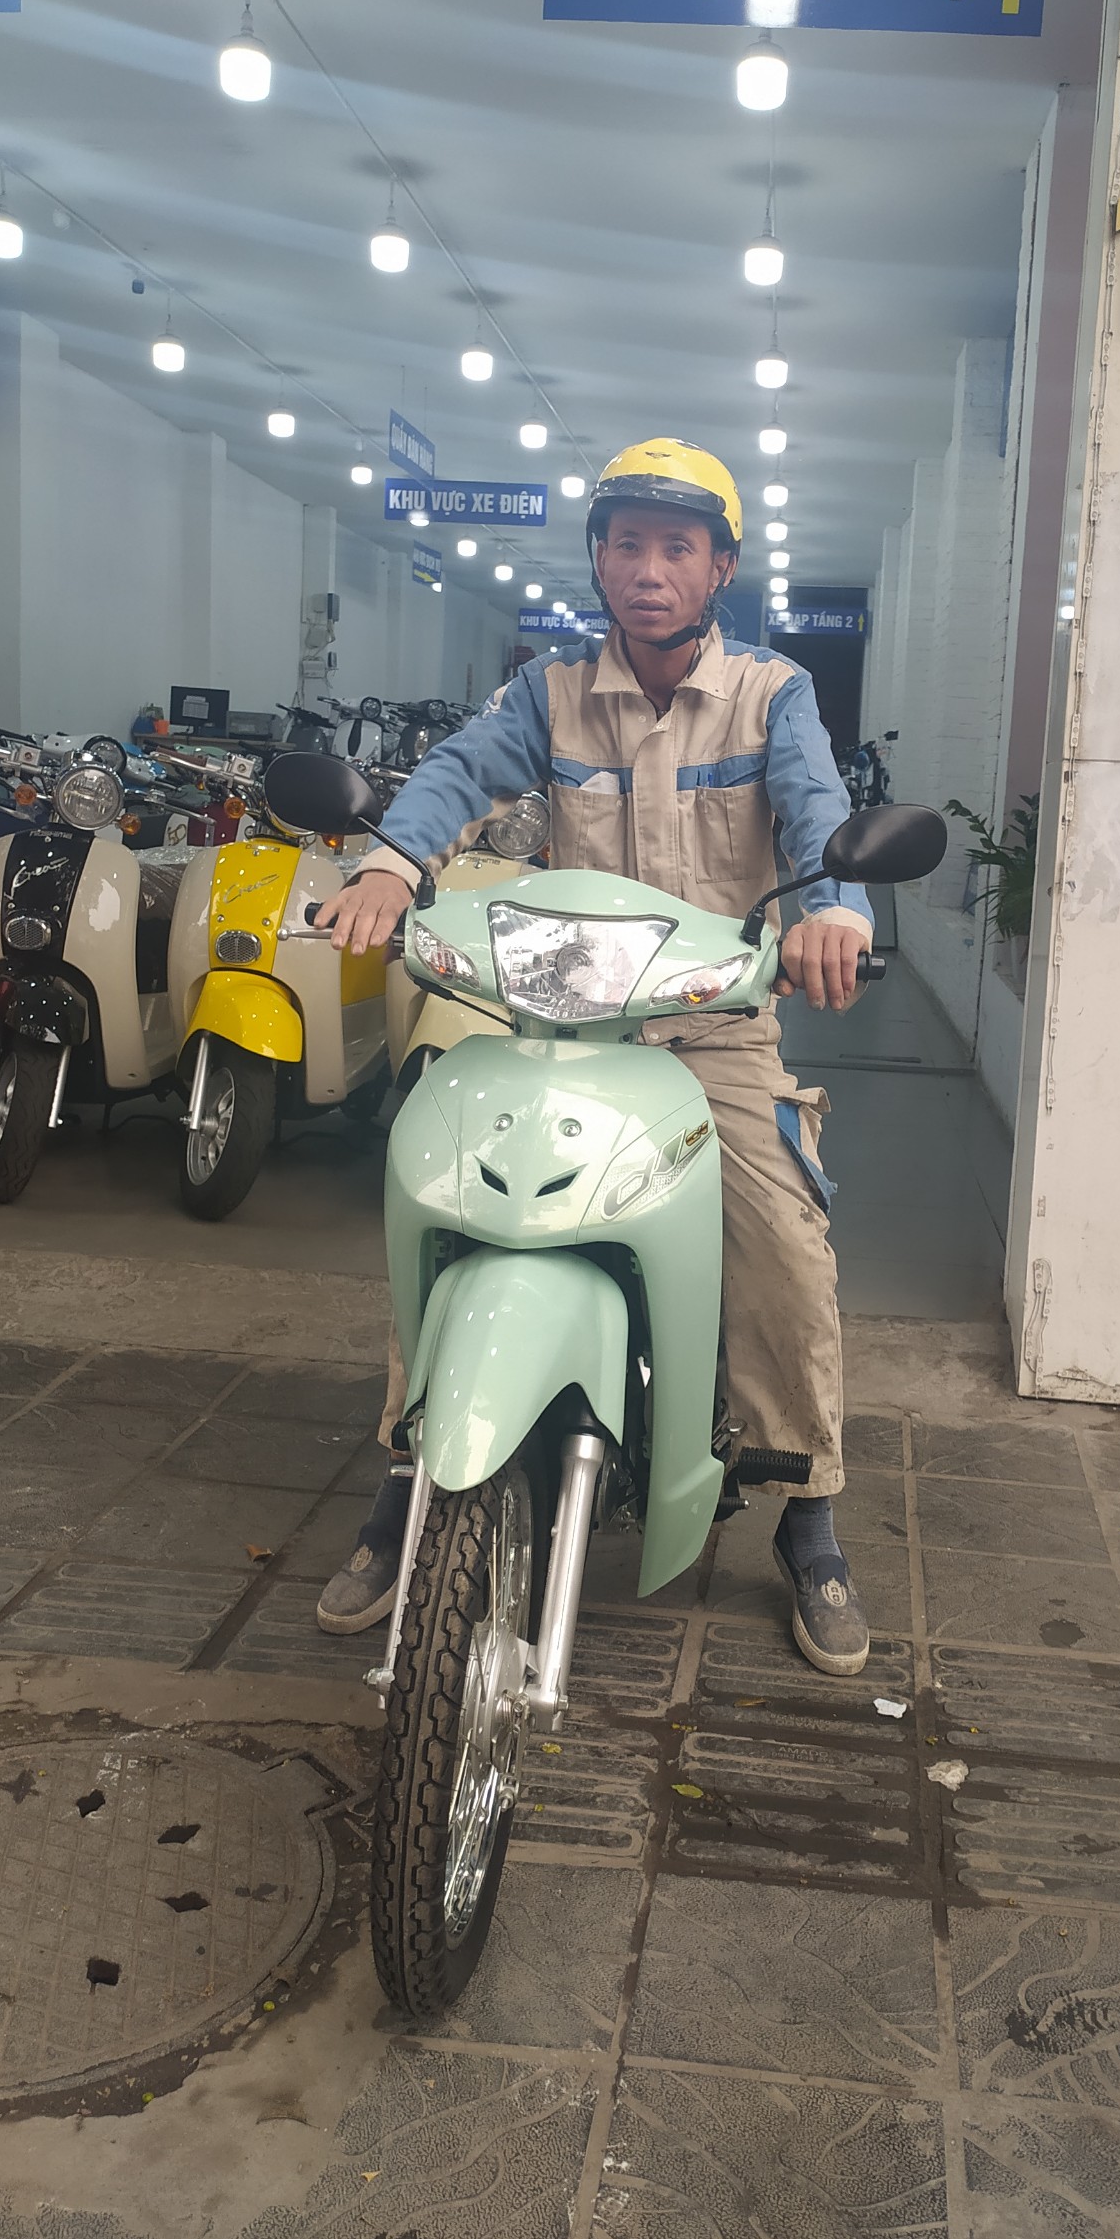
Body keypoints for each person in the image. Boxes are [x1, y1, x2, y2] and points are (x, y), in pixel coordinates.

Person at [313, 438, 877, 1674]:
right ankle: (411, 1470)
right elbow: (458, 772)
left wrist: (833, 911)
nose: (648, 570)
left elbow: (816, 813)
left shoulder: (773, 693)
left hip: (714, 1026)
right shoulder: (550, 691)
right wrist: (391, 864)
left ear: (720, 567)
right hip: (565, 1022)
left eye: (677, 547)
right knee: (451, 1195)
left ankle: (809, 1512)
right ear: (599, 559)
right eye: (627, 543)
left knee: (783, 1238)